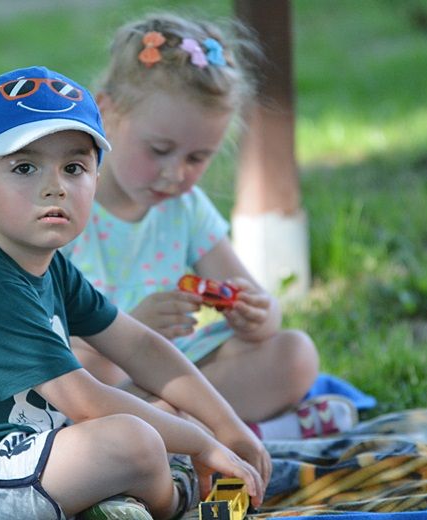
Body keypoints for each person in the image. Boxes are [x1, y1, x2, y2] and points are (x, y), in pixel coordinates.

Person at [0, 65, 268, 520]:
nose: (55, 186)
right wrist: (205, 443)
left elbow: (140, 345)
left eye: (74, 167)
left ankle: (115, 500)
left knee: (159, 412)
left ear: (95, 181)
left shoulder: (51, 267)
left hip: (32, 454)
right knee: (138, 439)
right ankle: (176, 503)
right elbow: (86, 402)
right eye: (24, 167)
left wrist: (228, 427)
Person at [62, 13, 353, 440]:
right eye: (160, 149)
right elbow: (37, 336)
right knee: (79, 365)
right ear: (106, 112)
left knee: (295, 353)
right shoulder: (67, 207)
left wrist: (259, 315)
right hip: (106, 381)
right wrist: (125, 329)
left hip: (179, 376)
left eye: (197, 158)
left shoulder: (186, 209)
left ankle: (184, 431)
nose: (174, 173)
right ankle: (246, 432)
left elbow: (250, 296)